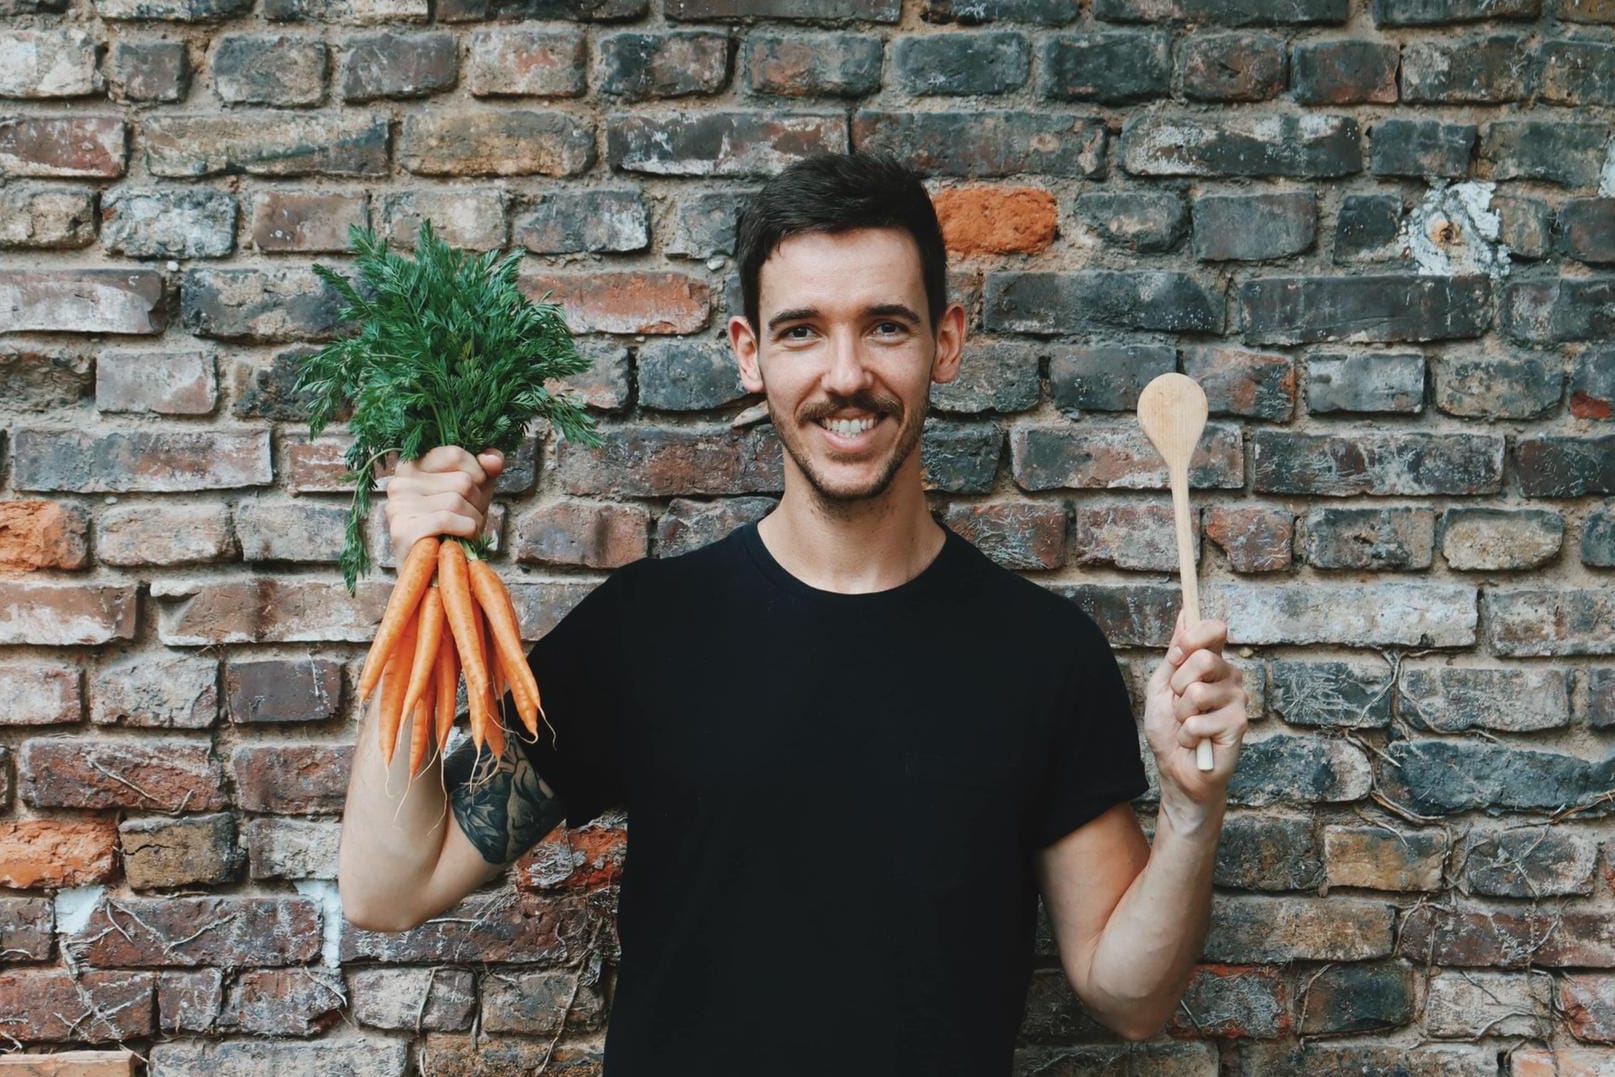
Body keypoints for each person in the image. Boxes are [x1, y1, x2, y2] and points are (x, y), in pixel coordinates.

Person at [338, 151, 1248, 1075]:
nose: (844, 374)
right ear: (750, 351)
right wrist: (422, 585)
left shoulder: (1045, 656)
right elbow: (388, 885)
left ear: (947, 339)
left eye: (885, 326)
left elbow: (1129, 997)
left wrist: (1189, 808)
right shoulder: (646, 633)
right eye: (803, 331)